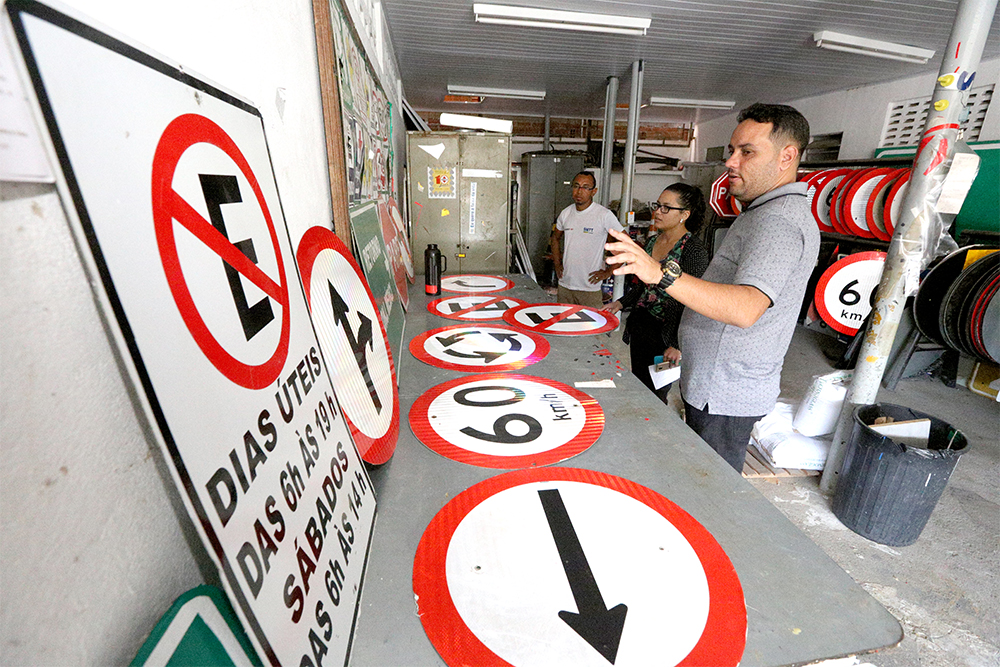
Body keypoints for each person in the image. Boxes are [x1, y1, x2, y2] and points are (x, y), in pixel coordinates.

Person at [605, 103, 819, 472]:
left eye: (747, 152)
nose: (731, 163)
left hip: (726, 392)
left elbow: (745, 308)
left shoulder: (779, 222)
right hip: (714, 384)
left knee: (713, 490)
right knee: (701, 473)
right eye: (731, 152)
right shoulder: (761, 214)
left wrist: (660, 274)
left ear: (787, 156)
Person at [603, 183, 709, 403]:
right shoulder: (653, 242)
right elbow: (643, 286)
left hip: (667, 333)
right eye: (657, 205)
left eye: (666, 208)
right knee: (639, 383)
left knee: (657, 390)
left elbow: (696, 301)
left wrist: (677, 344)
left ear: (685, 215)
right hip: (642, 326)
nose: (657, 212)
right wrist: (620, 303)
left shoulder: (693, 250)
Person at [549, 171, 624, 308]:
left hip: (590, 288)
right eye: (576, 186)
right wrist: (557, 263)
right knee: (564, 327)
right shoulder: (565, 213)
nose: (579, 191)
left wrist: (608, 272)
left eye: (585, 187)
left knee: (591, 328)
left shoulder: (604, 215)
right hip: (565, 285)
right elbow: (555, 238)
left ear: (593, 191)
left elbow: (626, 243)